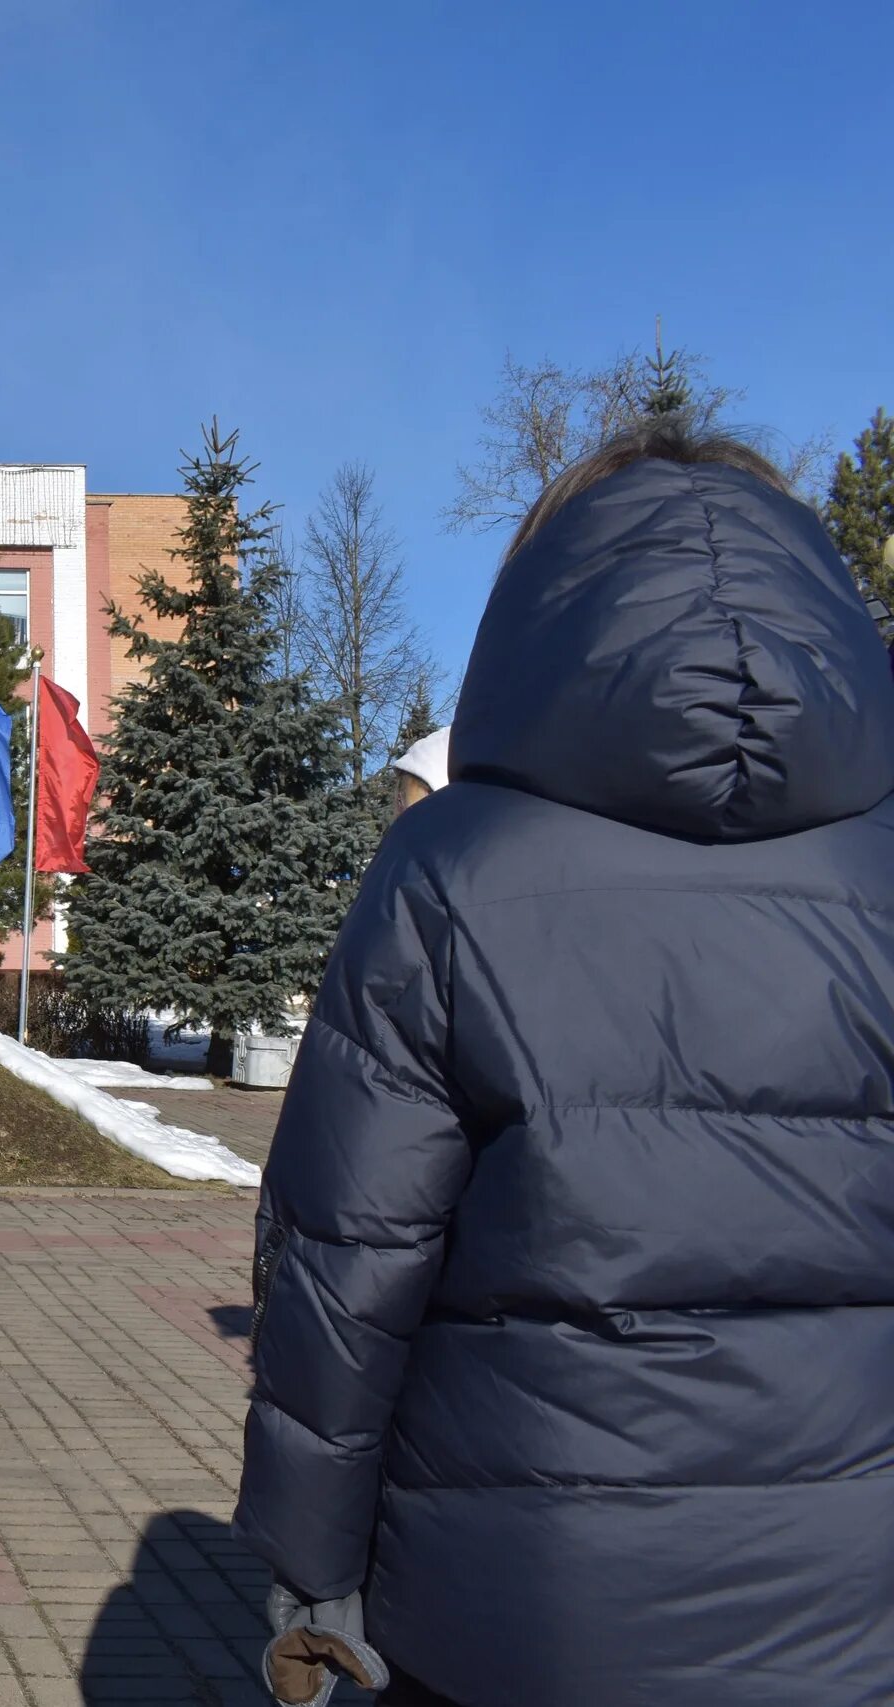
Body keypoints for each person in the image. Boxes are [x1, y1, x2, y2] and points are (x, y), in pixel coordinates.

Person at [235, 421, 894, 1707]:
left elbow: (346, 1259)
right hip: (853, 1607)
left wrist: (309, 1561)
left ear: (549, 611)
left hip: (519, 1602)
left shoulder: (449, 872)